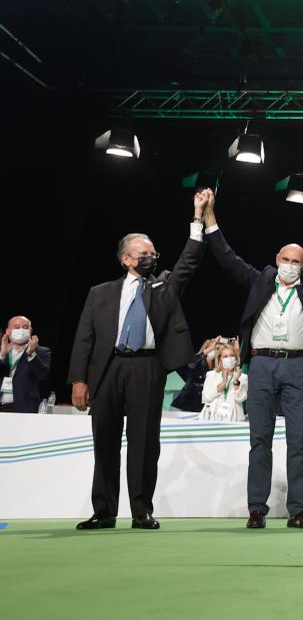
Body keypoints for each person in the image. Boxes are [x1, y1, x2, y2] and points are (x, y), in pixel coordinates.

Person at [200, 188, 303, 531]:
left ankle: (298, 509)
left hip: (297, 366)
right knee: (259, 439)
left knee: (299, 439)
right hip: (262, 364)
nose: (290, 265)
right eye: (286, 259)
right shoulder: (260, 280)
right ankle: (256, 508)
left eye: (297, 261)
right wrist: (209, 218)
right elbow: (226, 256)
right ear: (277, 258)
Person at [68, 191, 209, 531]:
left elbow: (189, 260)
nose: (150, 258)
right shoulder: (99, 293)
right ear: (126, 260)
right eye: (143, 254)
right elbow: (84, 339)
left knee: (145, 442)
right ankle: (103, 511)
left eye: (153, 253)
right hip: (107, 369)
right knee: (105, 441)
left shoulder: (163, 285)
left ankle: (141, 510)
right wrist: (78, 380)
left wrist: (197, 218)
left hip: (148, 367)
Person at [1, 316, 52, 413]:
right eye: (16, 327)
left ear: (30, 330)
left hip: (24, 409)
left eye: (25, 327)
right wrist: (2, 356)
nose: (21, 330)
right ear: (8, 331)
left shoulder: (41, 352)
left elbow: (43, 375)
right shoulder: (2, 351)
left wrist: (31, 354)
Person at [172, 336, 228, 412]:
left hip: (201, 408)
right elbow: (191, 363)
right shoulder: (198, 361)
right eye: (212, 347)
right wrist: (209, 349)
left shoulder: (217, 367)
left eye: (216, 349)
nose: (214, 349)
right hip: (184, 405)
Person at [200, 340, 248, 422]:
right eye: (225, 356)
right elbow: (207, 397)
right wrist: (223, 382)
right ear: (219, 360)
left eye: (232, 356)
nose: (229, 359)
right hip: (212, 418)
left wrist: (236, 381)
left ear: (236, 359)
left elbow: (241, 398)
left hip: (234, 419)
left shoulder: (242, 377)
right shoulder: (211, 375)